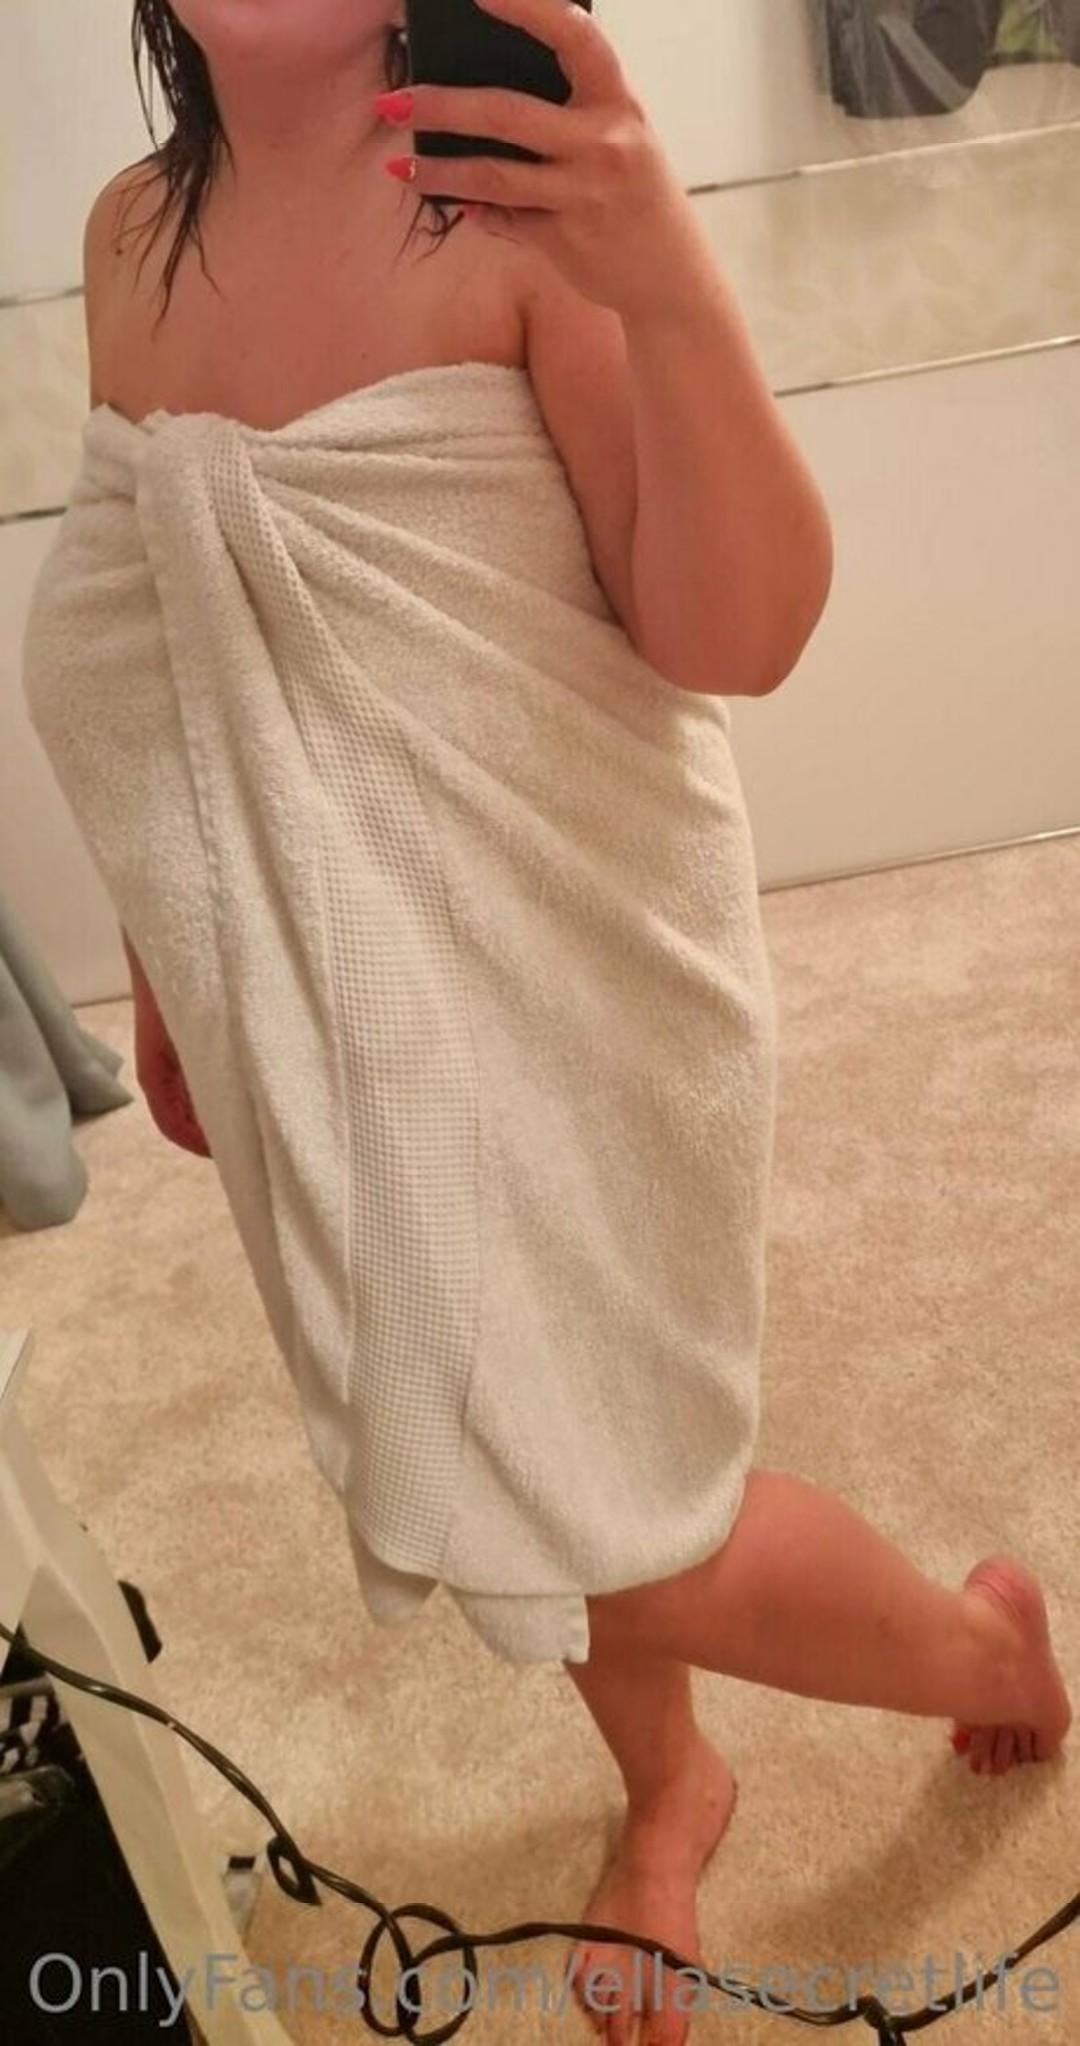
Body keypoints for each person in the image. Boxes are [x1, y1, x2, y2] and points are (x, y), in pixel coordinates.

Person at [70, 3, 1071, 2043]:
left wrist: (667, 278)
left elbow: (739, 634)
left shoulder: (512, 208)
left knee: (627, 1517)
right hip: (327, 1017)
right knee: (526, 1454)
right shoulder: (127, 237)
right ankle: (671, 1782)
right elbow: (179, 653)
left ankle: (989, 1654)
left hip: (573, 979)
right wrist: (177, 960)